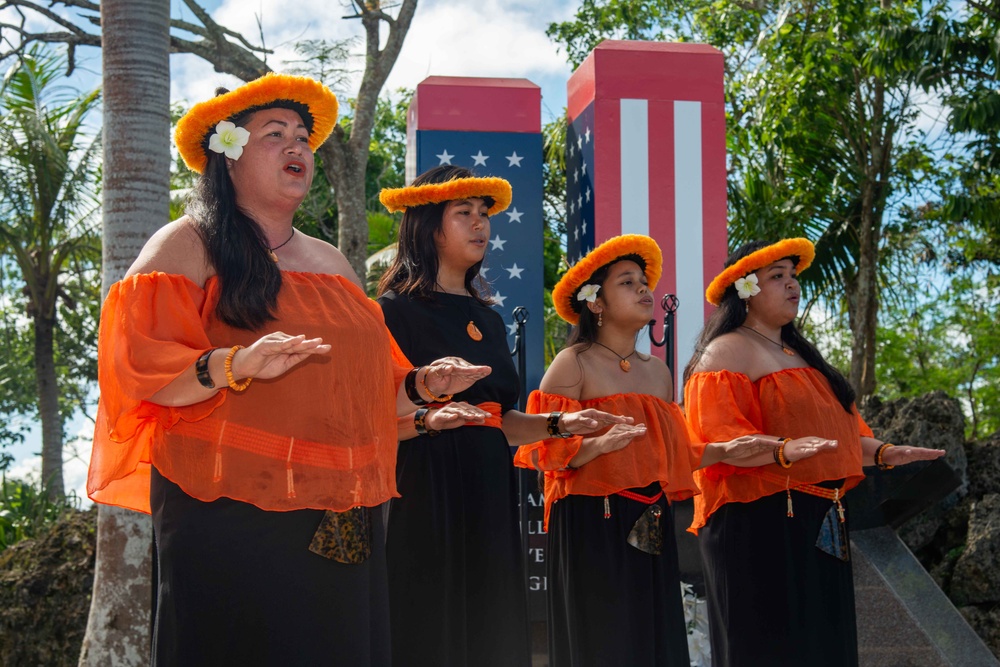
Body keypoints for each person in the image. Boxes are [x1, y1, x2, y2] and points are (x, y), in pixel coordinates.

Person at [86, 73, 489, 667]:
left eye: (302, 135)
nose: (298, 146)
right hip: (227, 515)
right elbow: (138, 371)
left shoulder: (330, 263)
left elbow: (376, 392)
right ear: (227, 156)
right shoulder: (185, 245)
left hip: (341, 515)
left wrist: (424, 384)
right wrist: (233, 364)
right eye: (275, 134)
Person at [375, 165, 630, 667]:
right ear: (428, 225)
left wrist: (560, 425)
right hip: (423, 488)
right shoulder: (390, 312)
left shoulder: (489, 316)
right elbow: (376, 411)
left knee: (490, 628)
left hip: (489, 491)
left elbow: (501, 420)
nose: (480, 225)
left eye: (484, 214)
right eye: (463, 213)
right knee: (428, 625)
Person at [512, 234, 781, 667]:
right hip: (590, 523)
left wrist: (729, 449)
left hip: (651, 519)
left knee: (652, 639)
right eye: (627, 282)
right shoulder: (573, 363)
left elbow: (676, 454)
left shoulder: (657, 372)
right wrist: (597, 445)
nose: (644, 289)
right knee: (603, 640)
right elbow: (547, 453)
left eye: (644, 281)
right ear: (595, 303)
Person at [682, 238, 946, 667]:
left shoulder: (804, 358)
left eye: (794, 276)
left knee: (823, 648)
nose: (793, 285)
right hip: (756, 522)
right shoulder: (724, 351)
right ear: (745, 290)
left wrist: (885, 453)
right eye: (777, 276)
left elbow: (832, 442)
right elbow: (719, 443)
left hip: (821, 518)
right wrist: (783, 451)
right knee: (770, 649)